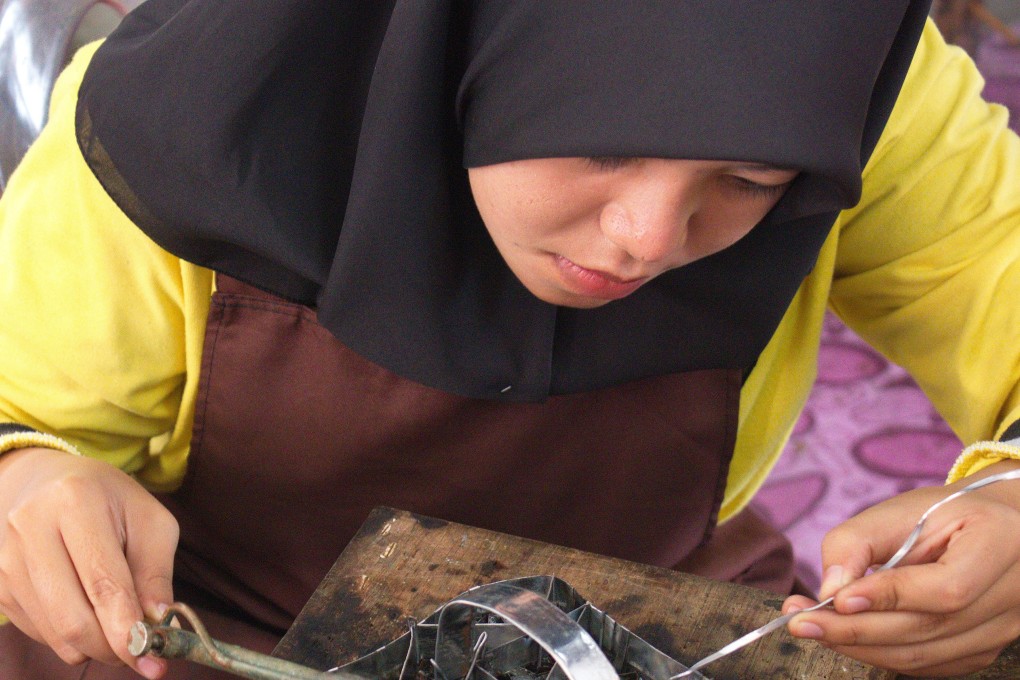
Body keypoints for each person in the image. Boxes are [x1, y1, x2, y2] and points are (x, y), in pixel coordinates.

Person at [0, 2, 1018, 678]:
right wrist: (25, 474)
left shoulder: (846, 75)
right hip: (212, 632)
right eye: (605, 142)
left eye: (752, 183)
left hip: (634, 612)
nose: (648, 237)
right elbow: (16, 417)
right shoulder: (191, 121)